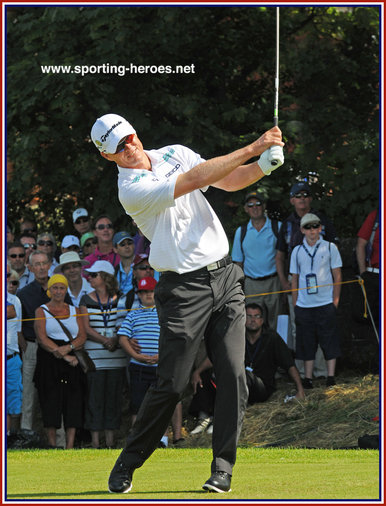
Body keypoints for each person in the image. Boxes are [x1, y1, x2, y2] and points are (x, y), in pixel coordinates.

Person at [91, 112, 284, 493]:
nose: (128, 147)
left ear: (134, 132)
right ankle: (128, 461)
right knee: (173, 382)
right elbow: (195, 179)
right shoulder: (130, 188)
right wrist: (255, 146)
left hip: (226, 277)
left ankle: (222, 468)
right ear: (107, 156)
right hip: (182, 290)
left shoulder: (173, 152)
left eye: (128, 138)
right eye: (118, 147)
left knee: (232, 373)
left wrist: (263, 165)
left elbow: (226, 179)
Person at [275, 181, 339, 378]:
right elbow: (279, 256)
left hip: (323, 284)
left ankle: (321, 371)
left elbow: (334, 254)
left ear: (310, 198)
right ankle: (303, 372)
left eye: (306, 195)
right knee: (298, 328)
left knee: (323, 329)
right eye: (298, 195)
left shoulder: (323, 220)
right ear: (292, 200)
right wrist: (285, 282)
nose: (302, 199)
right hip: (297, 283)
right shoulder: (286, 224)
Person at [118, 277, 183, 448]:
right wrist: (135, 355)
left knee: (161, 404)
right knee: (137, 404)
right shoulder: (133, 314)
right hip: (138, 366)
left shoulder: (166, 313)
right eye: (143, 292)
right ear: (138, 294)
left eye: (150, 291)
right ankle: (136, 438)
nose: (147, 295)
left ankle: (162, 439)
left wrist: (162, 356)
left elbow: (173, 338)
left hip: (160, 366)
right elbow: (123, 337)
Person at [34, 274, 87, 449]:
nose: (58, 291)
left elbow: (82, 336)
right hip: (50, 361)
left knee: (73, 400)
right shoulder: (41, 310)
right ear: (49, 290)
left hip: (71, 358)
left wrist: (69, 347)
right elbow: (42, 338)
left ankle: (70, 445)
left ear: (66, 290)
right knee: (50, 400)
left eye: (61, 287)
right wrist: (63, 354)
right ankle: (52, 444)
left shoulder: (74, 310)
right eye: (55, 287)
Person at [290, 213, 342, 388]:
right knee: (306, 341)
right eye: (308, 227)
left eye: (315, 227)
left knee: (328, 339)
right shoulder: (297, 251)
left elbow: (337, 275)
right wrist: (296, 303)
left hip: (325, 302)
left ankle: (331, 376)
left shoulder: (330, 247)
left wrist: (335, 301)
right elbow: (295, 279)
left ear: (320, 228)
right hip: (304, 305)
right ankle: (308, 378)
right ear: (302, 230)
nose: (312, 231)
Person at [79, 260, 126, 449]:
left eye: (93, 275)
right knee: (95, 400)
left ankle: (110, 441)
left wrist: (115, 339)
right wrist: (106, 340)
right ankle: (96, 442)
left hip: (117, 359)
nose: (89, 278)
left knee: (113, 400)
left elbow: (124, 323)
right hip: (95, 359)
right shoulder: (86, 299)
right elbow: (86, 328)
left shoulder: (121, 298)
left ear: (105, 278)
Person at [232, 191, 282, 329]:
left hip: (274, 282)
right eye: (251, 204)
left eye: (258, 204)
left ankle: (275, 350)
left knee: (275, 322)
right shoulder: (241, 232)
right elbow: (238, 263)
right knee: (252, 323)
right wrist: (238, 288)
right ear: (246, 209)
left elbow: (284, 257)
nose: (255, 207)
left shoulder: (277, 227)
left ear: (264, 206)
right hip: (251, 284)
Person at [17, 251, 52, 433]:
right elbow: (18, 327)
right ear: (30, 268)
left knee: (53, 392)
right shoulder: (24, 294)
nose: (40, 267)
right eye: (36, 264)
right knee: (28, 393)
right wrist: (25, 347)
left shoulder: (59, 289)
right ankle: (26, 432)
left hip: (55, 348)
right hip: (31, 346)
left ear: (49, 265)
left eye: (44, 263)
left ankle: (54, 437)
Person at [6, 265, 23, 436]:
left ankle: (10, 439)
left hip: (11, 357)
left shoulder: (15, 301)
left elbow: (18, 330)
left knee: (13, 402)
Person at [355, 209, 379, 328]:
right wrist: (363, 273)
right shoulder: (376, 216)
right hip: (375, 275)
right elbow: (361, 244)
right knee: (373, 319)